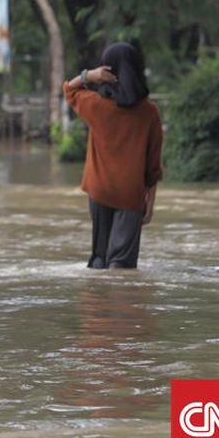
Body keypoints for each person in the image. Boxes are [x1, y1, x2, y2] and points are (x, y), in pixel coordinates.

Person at [63, 42, 163, 269]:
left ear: (108, 71)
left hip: (99, 189)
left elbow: (69, 89)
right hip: (131, 192)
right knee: (121, 262)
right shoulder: (149, 112)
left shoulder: (95, 105)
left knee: (99, 256)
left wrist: (89, 75)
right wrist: (150, 202)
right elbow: (153, 164)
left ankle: (98, 291)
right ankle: (120, 289)